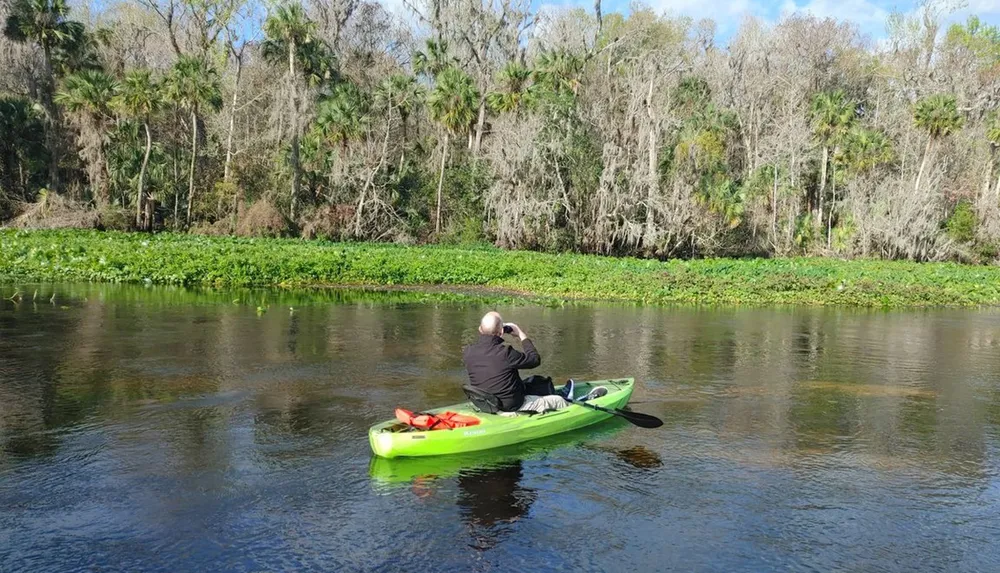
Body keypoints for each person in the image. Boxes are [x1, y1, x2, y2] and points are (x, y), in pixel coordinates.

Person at [462, 312, 570, 413]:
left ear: (480, 329)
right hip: (510, 406)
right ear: (502, 332)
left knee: (535, 383)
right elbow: (534, 360)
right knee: (559, 401)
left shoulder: (468, 351)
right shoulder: (506, 352)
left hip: (485, 403)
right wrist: (521, 335)